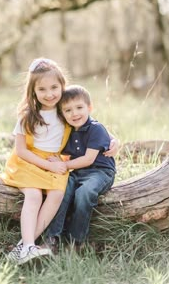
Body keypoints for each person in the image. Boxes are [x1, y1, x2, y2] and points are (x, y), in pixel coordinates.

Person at [0, 58, 71, 264]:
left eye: (54, 87)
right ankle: (30, 246)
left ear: (62, 86)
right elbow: (21, 151)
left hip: (54, 162)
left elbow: (91, 124)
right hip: (27, 162)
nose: (49, 94)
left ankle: (24, 245)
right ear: (33, 91)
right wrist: (49, 165)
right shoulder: (27, 116)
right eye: (42, 89)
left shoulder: (66, 111)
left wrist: (113, 140)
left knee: (57, 193)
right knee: (34, 195)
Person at [45, 84, 116, 250]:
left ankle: (76, 241)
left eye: (79, 107)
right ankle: (52, 237)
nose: (74, 113)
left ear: (89, 107)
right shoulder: (67, 130)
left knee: (85, 193)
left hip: (100, 172)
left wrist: (63, 165)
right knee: (61, 189)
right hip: (77, 171)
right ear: (62, 114)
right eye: (68, 110)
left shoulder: (96, 128)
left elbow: (88, 159)